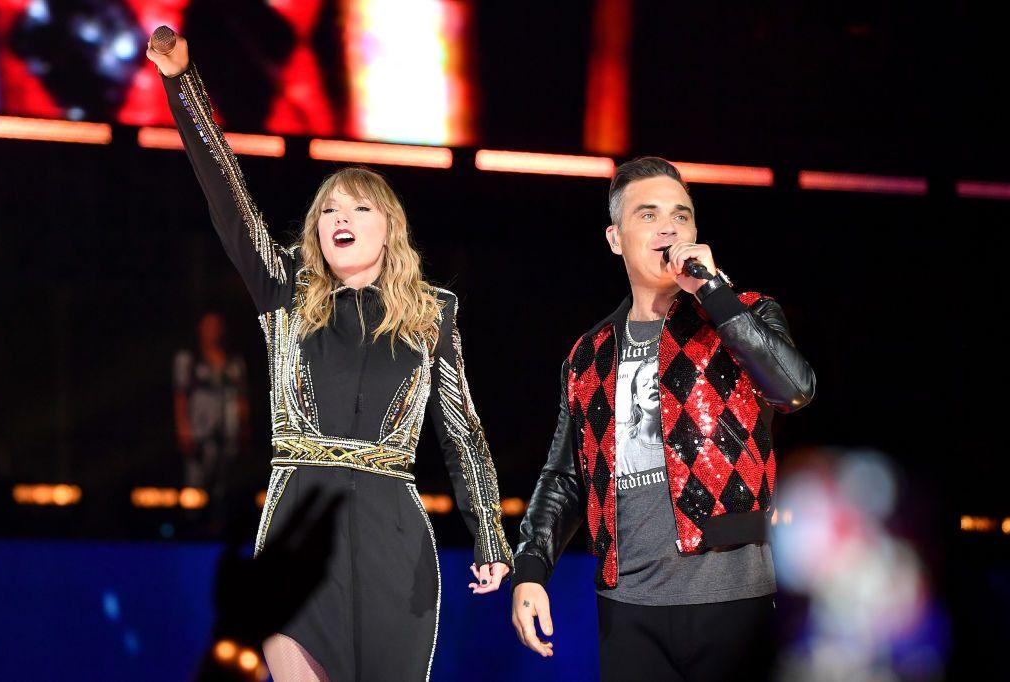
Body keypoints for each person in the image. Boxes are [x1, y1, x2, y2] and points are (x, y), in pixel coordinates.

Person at [147, 30, 513, 682]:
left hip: (394, 542)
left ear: (388, 227)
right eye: (327, 209)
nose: (338, 216)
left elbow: (463, 432)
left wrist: (489, 533)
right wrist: (182, 82)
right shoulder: (284, 291)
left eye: (358, 205)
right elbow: (226, 194)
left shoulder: (434, 312)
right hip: (296, 533)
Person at [511, 157, 816, 681]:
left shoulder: (744, 313)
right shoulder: (589, 355)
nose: (669, 226)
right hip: (627, 606)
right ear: (615, 238)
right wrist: (531, 569)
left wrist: (714, 293)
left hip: (733, 598)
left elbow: (795, 389)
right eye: (648, 215)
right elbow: (563, 477)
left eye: (682, 215)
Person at [173, 312, 250, 499]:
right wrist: (183, 427)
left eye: (216, 326)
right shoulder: (190, 360)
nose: (212, 331)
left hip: (227, 433)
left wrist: (244, 428)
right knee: (196, 485)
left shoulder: (234, 362)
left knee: (224, 485)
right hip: (200, 432)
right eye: (208, 326)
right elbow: (181, 394)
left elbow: (241, 397)